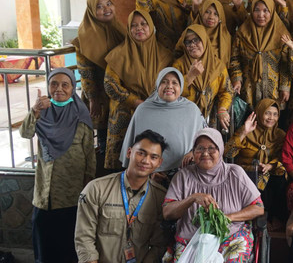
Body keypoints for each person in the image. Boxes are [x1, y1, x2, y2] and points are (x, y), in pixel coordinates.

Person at [20, 68, 94, 263]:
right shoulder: (42, 112)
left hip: (71, 195)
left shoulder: (81, 115)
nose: (59, 89)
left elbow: (89, 154)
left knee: (68, 247)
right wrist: (35, 111)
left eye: (65, 84)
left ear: (72, 88)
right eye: (54, 84)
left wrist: (88, 186)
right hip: (45, 195)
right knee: (44, 248)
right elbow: (25, 133)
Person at [162, 128, 264, 263]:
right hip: (191, 239)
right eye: (199, 148)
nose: (205, 153)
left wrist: (229, 217)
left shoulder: (235, 173)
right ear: (193, 152)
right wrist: (192, 198)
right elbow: (167, 213)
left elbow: (258, 207)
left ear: (220, 150)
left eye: (212, 148)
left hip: (230, 237)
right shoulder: (183, 176)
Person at [75, 130, 170, 263]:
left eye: (153, 157)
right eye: (141, 153)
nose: (145, 161)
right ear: (129, 152)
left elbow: (159, 245)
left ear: (159, 162)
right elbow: (84, 237)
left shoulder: (160, 197)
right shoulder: (96, 189)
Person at [103, 10, 173, 170]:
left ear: (151, 26)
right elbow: (110, 84)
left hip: (156, 111)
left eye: (143, 24)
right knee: (124, 163)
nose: (138, 28)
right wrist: (135, 102)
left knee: (153, 159)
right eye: (133, 25)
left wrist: (151, 103)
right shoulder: (118, 54)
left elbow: (171, 83)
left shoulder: (165, 54)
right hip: (125, 114)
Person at [119, 68, 207, 183]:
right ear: (157, 86)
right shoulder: (143, 109)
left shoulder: (192, 109)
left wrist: (193, 152)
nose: (169, 86)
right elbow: (133, 146)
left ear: (181, 87)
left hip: (185, 173)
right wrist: (148, 171)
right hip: (148, 172)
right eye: (164, 82)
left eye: (174, 83)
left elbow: (206, 138)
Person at [72, 0, 126, 161]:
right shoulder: (85, 37)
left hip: (121, 90)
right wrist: (93, 98)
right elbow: (85, 71)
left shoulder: (120, 29)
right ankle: (104, 169)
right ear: (91, 11)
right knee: (103, 134)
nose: (106, 9)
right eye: (99, 7)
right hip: (100, 94)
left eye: (109, 4)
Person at [225, 98, 288, 224]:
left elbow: (283, 155)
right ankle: (254, 217)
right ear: (259, 113)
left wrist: (270, 166)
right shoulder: (247, 130)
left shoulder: (279, 134)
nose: (271, 118)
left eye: (275, 114)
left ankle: (272, 218)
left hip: (269, 170)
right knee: (258, 178)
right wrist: (244, 132)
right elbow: (228, 152)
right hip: (246, 170)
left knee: (281, 175)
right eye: (267, 113)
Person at [230, 0, 291, 109]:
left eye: (265, 11)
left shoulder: (282, 35)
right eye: (256, 10)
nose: (261, 15)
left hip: (274, 90)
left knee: (271, 120)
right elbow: (235, 59)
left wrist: (285, 87)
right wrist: (237, 79)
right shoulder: (242, 33)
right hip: (248, 89)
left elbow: (285, 65)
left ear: (272, 12)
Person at [173, 25, 233, 127]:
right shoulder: (178, 65)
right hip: (183, 120)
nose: (192, 45)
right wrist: (190, 77)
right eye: (188, 42)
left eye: (196, 40)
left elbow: (227, 90)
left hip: (209, 119)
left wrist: (222, 108)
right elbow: (172, 93)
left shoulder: (218, 65)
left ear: (204, 41)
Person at [190, 0, 232, 67]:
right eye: (207, 12)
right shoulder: (190, 35)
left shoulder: (226, 38)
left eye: (216, 14)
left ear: (220, 18)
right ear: (201, 13)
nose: (211, 17)